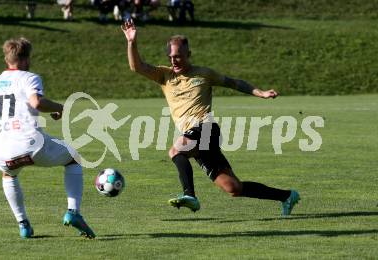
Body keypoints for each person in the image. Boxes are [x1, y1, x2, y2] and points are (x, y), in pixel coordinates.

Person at [121, 20, 300, 215]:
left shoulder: (204, 74)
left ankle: (190, 195)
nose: (174, 61)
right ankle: (287, 196)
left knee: (176, 151)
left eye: (179, 57)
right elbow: (137, 67)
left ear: (188, 55)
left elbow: (235, 83)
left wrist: (261, 92)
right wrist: (131, 42)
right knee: (233, 188)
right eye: (171, 57)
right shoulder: (164, 75)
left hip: (205, 128)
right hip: (194, 136)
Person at [0, 37, 95, 239]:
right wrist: (60, 108)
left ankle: (23, 224)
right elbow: (36, 102)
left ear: (6, 58)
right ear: (26, 59)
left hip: (2, 154)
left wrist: (0, 116)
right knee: (73, 157)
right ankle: (73, 212)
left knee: (9, 174)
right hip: (31, 145)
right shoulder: (28, 77)